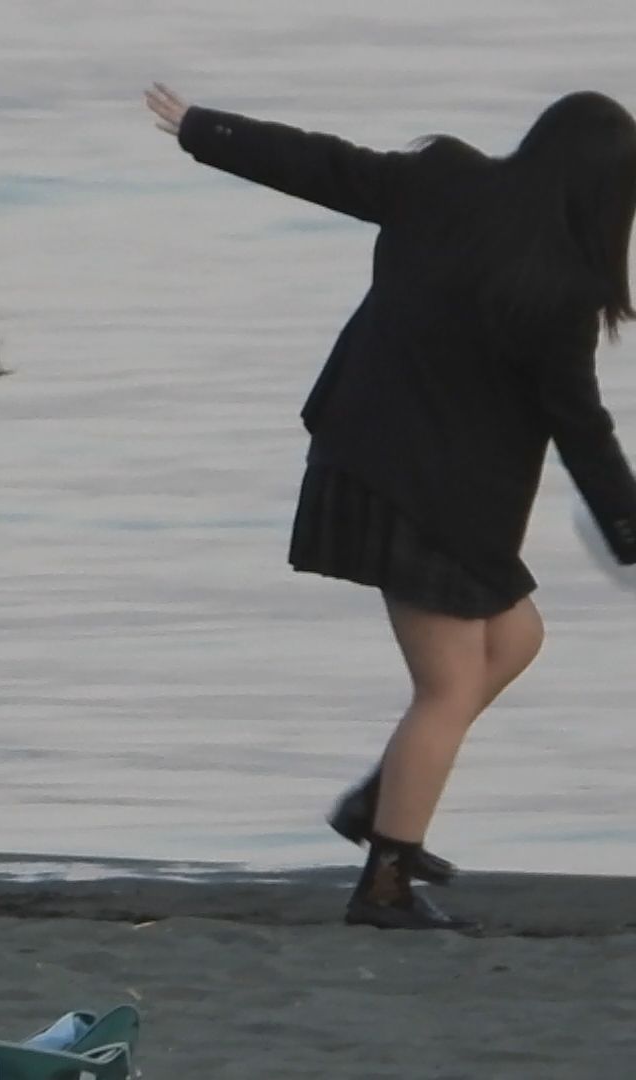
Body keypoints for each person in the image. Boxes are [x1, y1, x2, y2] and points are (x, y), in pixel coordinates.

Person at [146, 84, 636, 930]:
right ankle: (384, 885)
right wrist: (628, 527)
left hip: (382, 468)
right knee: (448, 686)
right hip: (419, 494)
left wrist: (205, 127)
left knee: (516, 637)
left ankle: (384, 801)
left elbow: (322, 165)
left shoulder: (443, 181)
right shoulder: (561, 285)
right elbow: (581, 429)